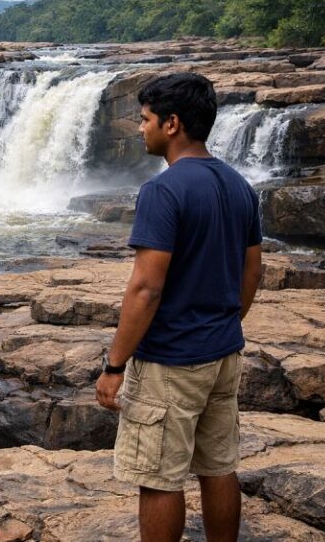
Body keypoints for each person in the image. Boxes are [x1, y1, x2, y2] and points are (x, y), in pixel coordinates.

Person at [95, 72, 263, 542]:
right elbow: (253, 273)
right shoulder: (239, 186)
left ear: (172, 124)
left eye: (145, 119)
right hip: (223, 353)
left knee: (159, 477)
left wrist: (114, 366)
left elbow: (145, 289)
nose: (139, 128)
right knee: (218, 467)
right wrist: (225, 323)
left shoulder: (163, 191)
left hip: (171, 358)